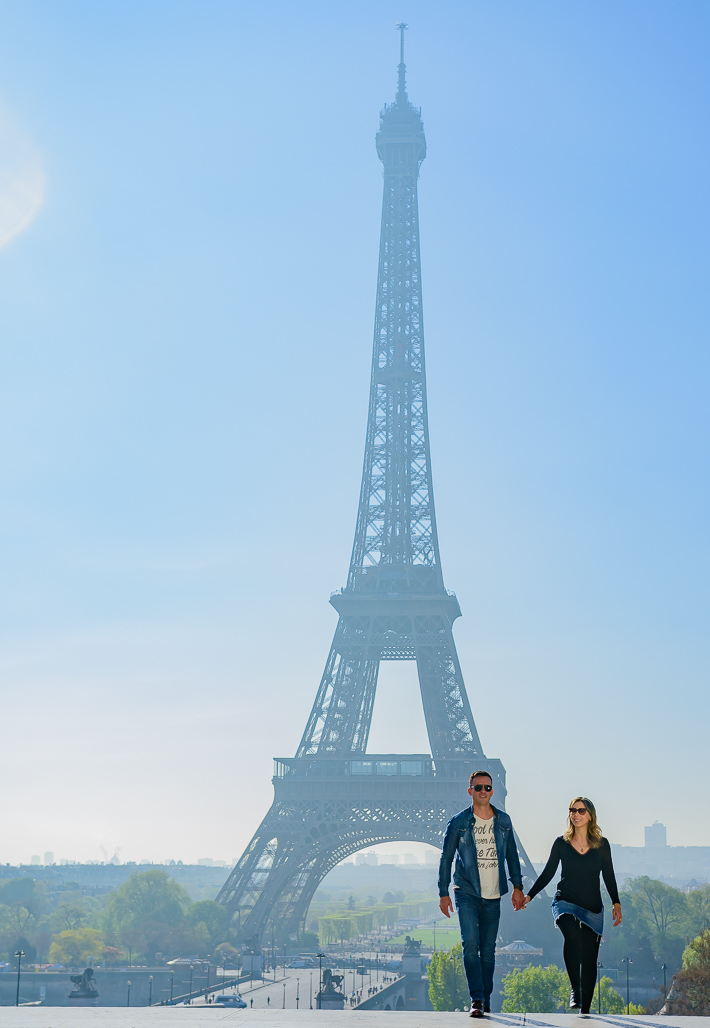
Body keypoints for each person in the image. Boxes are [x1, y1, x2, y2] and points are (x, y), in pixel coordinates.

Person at [521, 796, 622, 1014]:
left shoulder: (602, 845)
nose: (575, 814)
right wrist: (529, 895)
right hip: (565, 901)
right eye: (572, 810)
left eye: (581, 811)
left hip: (592, 907)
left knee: (589, 957)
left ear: (590, 815)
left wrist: (616, 902)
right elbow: (548, 872)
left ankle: (584, 1010)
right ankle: (575, 989)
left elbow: (609, 876)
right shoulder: (561, 843)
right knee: (571, 934)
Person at [439, 769, 525, 1018]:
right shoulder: (458, 822)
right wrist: (443, 892)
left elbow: (511, 856)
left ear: (492, 791)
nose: (484, 792)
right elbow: (446, 858)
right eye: (478, 788)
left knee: (488, 950)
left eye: (488, 787)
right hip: (466, 891)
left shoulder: (504, 821)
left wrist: (517, 886)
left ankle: (485, 998)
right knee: (470, 946)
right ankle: (476, 998)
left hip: (493, 893)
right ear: (470, 791)